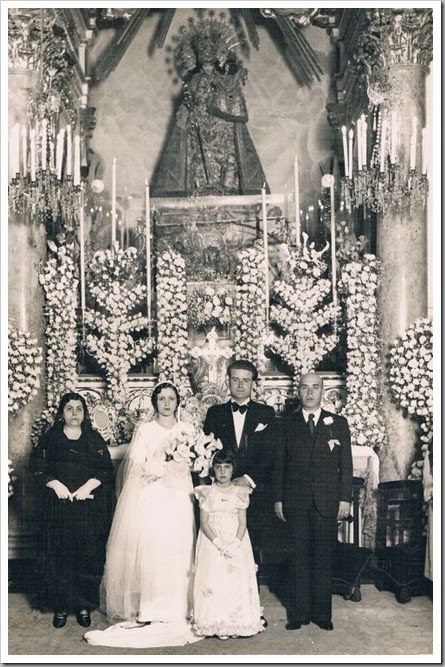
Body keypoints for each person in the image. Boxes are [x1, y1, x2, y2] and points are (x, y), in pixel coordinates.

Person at [98, 382, 196, 625]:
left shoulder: (188, 429)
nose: (166, 403)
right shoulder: (145, 430)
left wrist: (186, 463)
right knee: (154, 547)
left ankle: (181, 605)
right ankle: (152, 606)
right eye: (161, 398)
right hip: (153, 495)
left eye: (170, 398)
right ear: (155, 402)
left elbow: (195, 461)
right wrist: (164, 464)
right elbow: (137, 463)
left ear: (177, 401)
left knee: (180, 543)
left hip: (180, 494)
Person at [151, 19, 268, 198]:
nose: (207, 68)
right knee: (196, 157)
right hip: (198, 124)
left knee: (228, 157)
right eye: (204, 64)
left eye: (210, 64)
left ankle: (227, 186)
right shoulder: (195, 79)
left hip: (222, 127)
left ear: (216, 61)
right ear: (198, 62)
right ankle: (200, 187)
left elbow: (230, 97)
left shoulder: (223, 79)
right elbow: (189, 98)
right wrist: (188, 106)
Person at [273, 372, 353, 632]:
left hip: (326, 502)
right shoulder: (286, 423)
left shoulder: (338, 423)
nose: (309, 392)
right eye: (305, 387)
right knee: (298, 558)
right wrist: (278, 499)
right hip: (295, 501)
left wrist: (345, 498)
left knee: (323, 558)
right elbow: (279, 465)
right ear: (299, 391)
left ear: (322, 391)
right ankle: (297, 614)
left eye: (315, 387)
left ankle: (322, 614)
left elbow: (346, 465)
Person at [29, 392, 115, 629]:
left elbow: (106, 470)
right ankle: (61, 605)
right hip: (59, 508)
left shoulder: (93, 439)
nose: (74, 413)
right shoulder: (51, 438)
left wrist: (89, 484)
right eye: (69, 408)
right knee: (60, 555)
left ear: (85, 413)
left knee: (85, 554)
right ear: (62, 413)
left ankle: (83, 605)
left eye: (79, 408)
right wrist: (54, 484)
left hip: (86, 507)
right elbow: (36, 466)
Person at [203, 359, 276, 615]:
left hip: (254, 492)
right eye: (236, 379)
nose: (241, 384)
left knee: (249, 550)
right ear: (228, 382)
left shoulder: (266, 413)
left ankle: (249, 610)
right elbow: (207, 452)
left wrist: (248, 479)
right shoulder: (215, 413)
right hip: (222, 494)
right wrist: (222, 481)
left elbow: (271, 453)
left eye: (246, 380)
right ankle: (220, 609)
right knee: (221, 547)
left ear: (254, 384)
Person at [192, 449, 264, 640]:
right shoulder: (206, 492)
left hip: (235, 540)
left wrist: (235, 543)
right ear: (212, 470)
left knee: (235, 580)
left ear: (233, 470)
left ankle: (235, 623)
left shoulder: (240, 492)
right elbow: (204, 522)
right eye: (218, 467)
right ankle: (216, 622)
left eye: (227, 467)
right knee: (215, 580)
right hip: (213, 541)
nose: (222, 472)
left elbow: (242, 522)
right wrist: (218, 543)